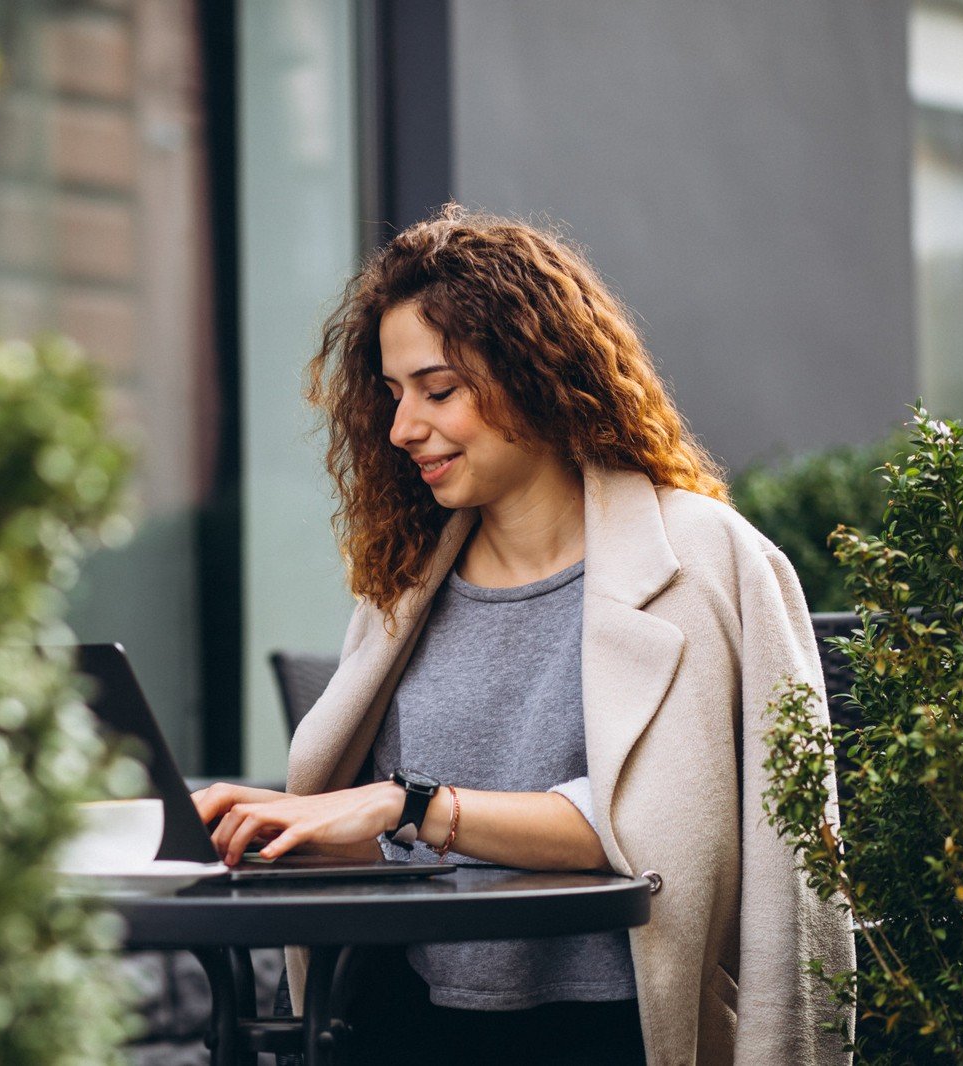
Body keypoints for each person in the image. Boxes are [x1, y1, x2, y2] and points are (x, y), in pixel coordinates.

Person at [192, 206, 853, 1065]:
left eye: (439, 390)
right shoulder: (405, 583)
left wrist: (414, 802)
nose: (402, 429)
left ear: (539, 372)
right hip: (410, 1020)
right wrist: (287, 826)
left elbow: (663, 824)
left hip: (609, 1028)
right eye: (393, 396)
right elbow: (396, 849)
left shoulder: (702, 561)